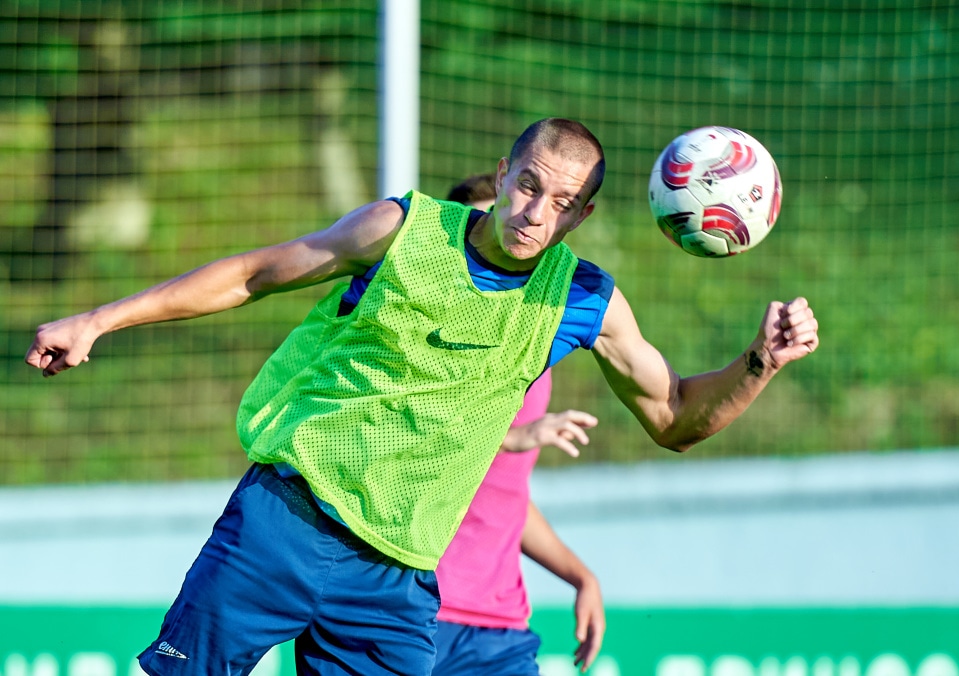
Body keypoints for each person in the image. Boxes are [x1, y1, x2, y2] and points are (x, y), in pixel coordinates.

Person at [25, 117, 819, 675]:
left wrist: (757, 363)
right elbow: (253, 274)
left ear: (583, 212)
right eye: (527, 185)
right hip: (285, 522)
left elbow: (673, 418)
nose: (534, 213)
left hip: (397, 577)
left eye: (560, 202)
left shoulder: (583, 300)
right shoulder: (402, 229)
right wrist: (100, 319)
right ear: (503, 174)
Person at [434, 175, 604, 675]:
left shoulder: (539, 355)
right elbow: (412, 437)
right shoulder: (427, 339)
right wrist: (513, 438)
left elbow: (503, 495)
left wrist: (579, 576)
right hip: (414, 610)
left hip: (499, 623)